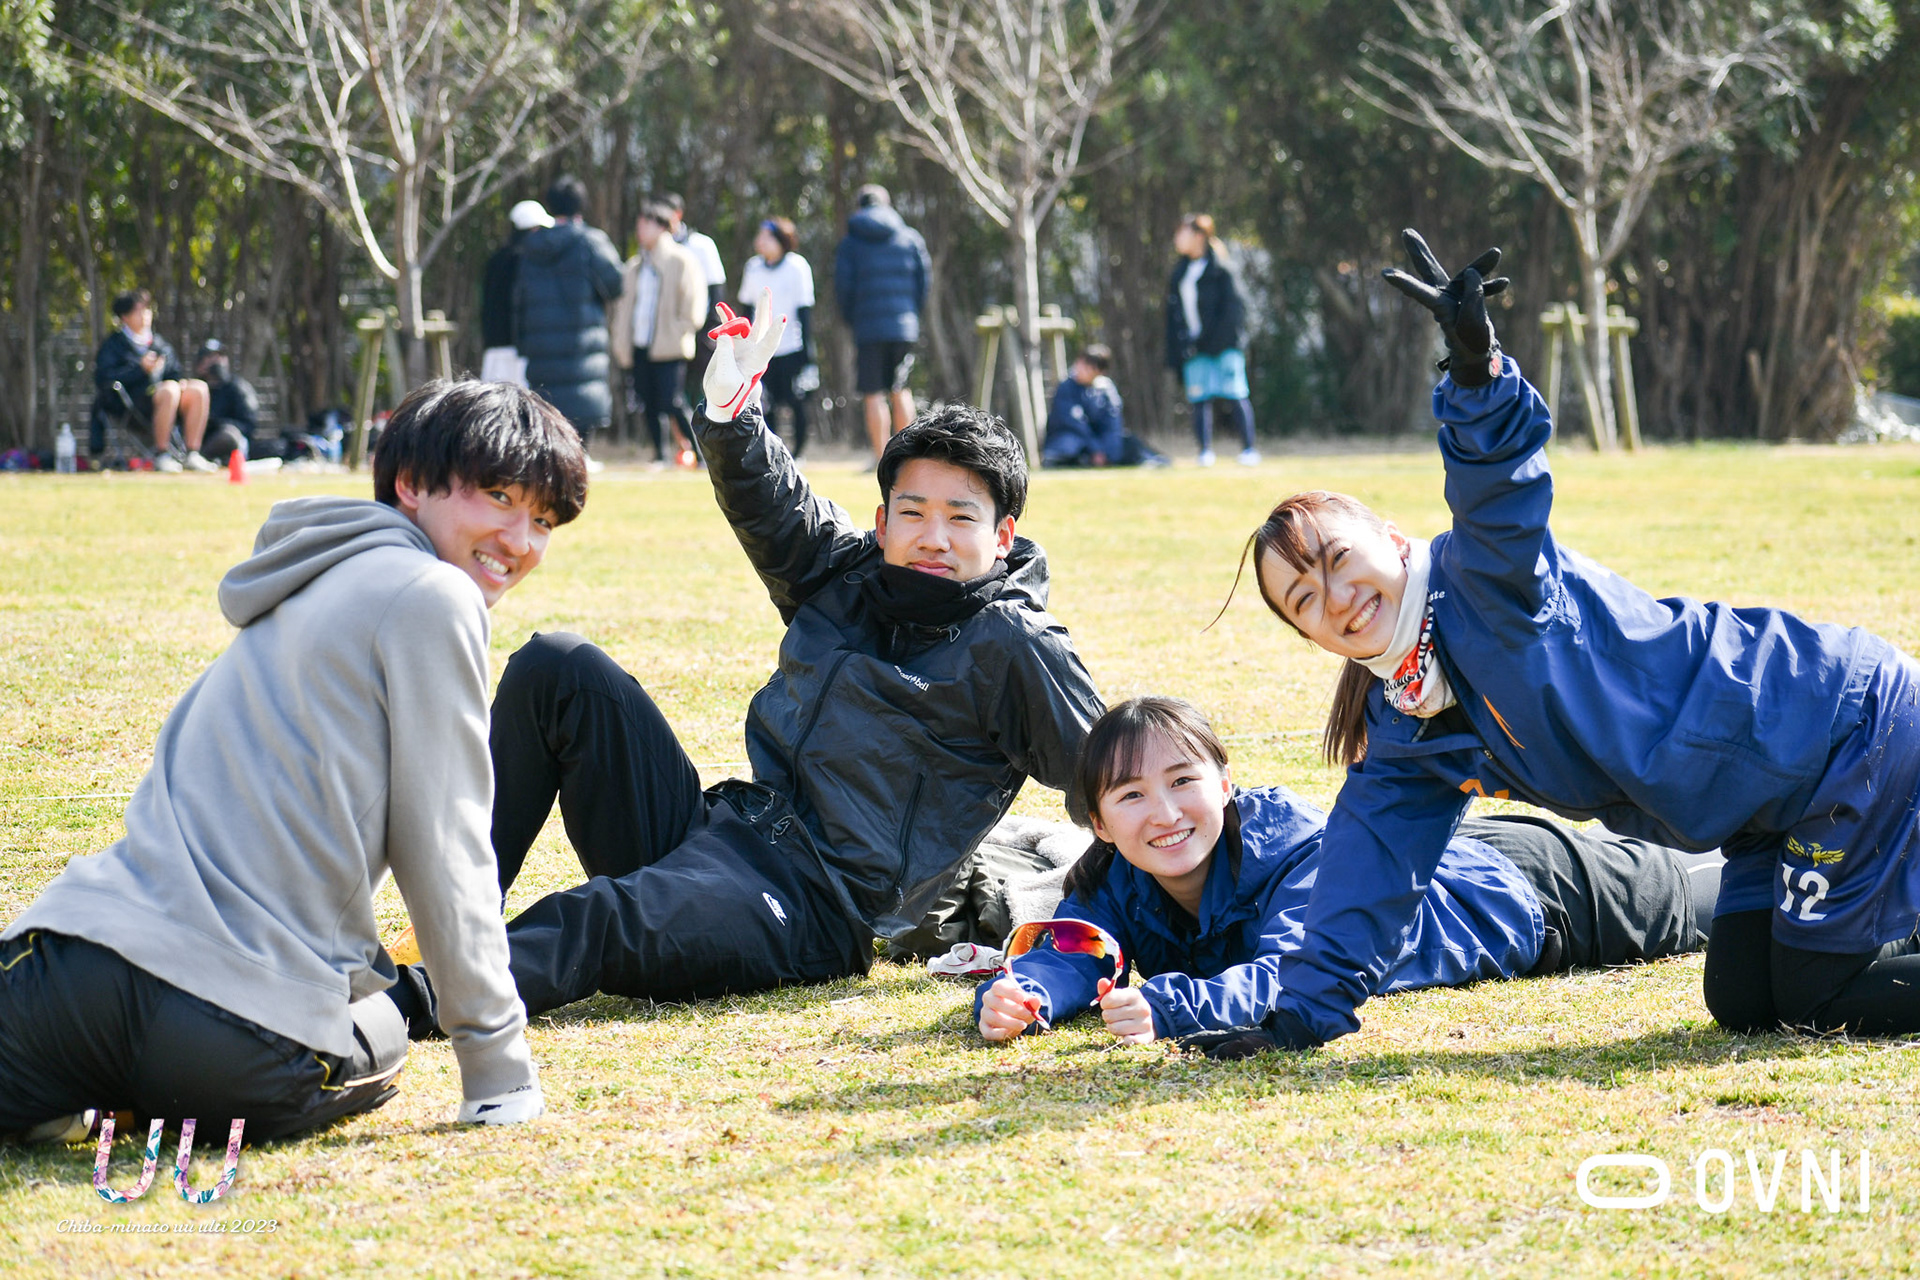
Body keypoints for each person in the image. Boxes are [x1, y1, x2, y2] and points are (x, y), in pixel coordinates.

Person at [1237, 228, 1920, 1053]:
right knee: (1744, 999)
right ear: (1308, 635)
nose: (1337, 600)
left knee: (1819, 997)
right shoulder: (1409, 721)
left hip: (1845, 735)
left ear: (1390, 538)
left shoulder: (1487, 580)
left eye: (1340, 561)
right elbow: (1368, 866)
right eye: (1305, 600)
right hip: (1762, 817)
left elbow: (1498, 487)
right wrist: (1297, 1018)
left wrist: (1474, 373)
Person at [390, 296, 1103, 1027]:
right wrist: (732, 415)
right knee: (558, 666)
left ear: (1002, 536)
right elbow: (773, 505)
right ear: (884, 520)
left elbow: (1116, 776)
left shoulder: (1016, 645)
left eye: (961, 517)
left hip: (813, 905)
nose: (933, 537)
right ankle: (456, 911)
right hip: (720, 831)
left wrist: (1139, 918)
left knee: (601, 915)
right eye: (914, 512)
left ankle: (398, 1007)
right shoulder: (846, 575)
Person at [0, 380, 588, 1144]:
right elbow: (445, 849)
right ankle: (132, 1102)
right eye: (500, 497)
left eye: (543, 520)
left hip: (68, 967)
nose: (520, 539)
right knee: (382, 1031)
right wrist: (498, 1070)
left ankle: (81, 1101)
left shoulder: (300, 577)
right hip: (234, 1031)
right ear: (411, 483)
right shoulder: (437, 596)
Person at [975, 697, 1716, 1047]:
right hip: (1455, 860)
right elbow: (1077, 949)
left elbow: (1302, 971)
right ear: (1100, 823)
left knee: (1727, 875)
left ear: (1225, 785)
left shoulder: (1293, 851)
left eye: (1183, 781)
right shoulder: (1112, 878)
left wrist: (1176, 1006)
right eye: (1132, 795)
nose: (1164, 812)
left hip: (1538, 896)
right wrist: (1023, 994)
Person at [513, 176, 624, 467]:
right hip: (581, 342)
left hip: (541, 344)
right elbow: (615, 284)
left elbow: (518, 299)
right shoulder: (590, 241)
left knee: (549, 402)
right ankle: (579, 457)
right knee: (580, 401)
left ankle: (554, 459)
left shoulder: (531, 247)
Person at [835, 184, 931, 462]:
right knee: (901, 389)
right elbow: (924, 282)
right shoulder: (910, 237)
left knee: (873, 394)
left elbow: (843, 287)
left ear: (860, 206)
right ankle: (907, 458)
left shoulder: (851, 242)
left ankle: (882, 459)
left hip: (868, 328)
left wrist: (852, 318)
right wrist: (911, 314)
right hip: (904, 326)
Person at [611, 202, 707, 466]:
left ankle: (701, 454)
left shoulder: (681, 260)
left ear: (663, 227)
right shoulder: (635, 266)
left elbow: (694, 303)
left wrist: (679, 330)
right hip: (640, 344)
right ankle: (660, 454)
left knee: (672, 401)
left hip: (669, 346)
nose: (640, 230)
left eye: (646, 224)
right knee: (648, 401)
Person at [1164, 214, 1259, 468]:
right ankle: (1204, 451)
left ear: (1199, 236)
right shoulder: (1180, 272)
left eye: (1182, 233)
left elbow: (1233, 311)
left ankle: (1249, 449)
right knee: (1199, 398)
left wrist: (1215, 341)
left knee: (1236, 394)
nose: (1177, 239)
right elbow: (1175, 315)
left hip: (1224, 346)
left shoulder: (1222, 269)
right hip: (1194, 348)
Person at [94, 289, 217, 473]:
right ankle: (162, 454)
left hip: (170, 402)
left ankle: (192, 453)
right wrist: (140, 370)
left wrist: (181, 382)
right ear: (125, 317)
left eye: (147, 310)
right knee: (169, 390)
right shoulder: (114, 345)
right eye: (138, 311)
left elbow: (174, 372)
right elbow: (104, 378)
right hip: (133, 404)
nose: (145, 316)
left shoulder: (158, 343)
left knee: (198, 388)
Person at [737, 216, 817, 460]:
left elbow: (805, 311)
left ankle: (799, 453)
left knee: (795, 402)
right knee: (764, 402)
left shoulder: (797, 266)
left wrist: (808, 352)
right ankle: (770, 452)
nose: (760, 241)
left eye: (767, 236)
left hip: (791, 346)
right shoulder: (753, 267)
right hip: (762, 349)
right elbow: (746, 308)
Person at [1041, 345, 1166, 469]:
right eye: (1080, 364)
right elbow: (1075, 423)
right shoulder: (1066, 387)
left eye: (1088, 368)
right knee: (1068, 444)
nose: (1080, 369)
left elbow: (1113, 420)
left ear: (1100, 372)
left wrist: (1107, 452)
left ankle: (1152, 461)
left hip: (1101, 439)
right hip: (1076, 438)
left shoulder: (1106, 388)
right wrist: (1096, 449)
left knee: (1127, 442)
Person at [479, 200, 553, 387]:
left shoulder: (496, 259)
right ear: (533, 229)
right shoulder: (529, 261)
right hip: (521, 353)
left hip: (494, 351)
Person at [193, 339, 260, 464]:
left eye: (220, 356)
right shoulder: (195, 389)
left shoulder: (238, 388)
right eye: (210, 357)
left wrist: (218, 423)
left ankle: (201, 458)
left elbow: (248, 425)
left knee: (228, 435)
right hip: (199, 439)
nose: (216, 361)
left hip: (228, 440)